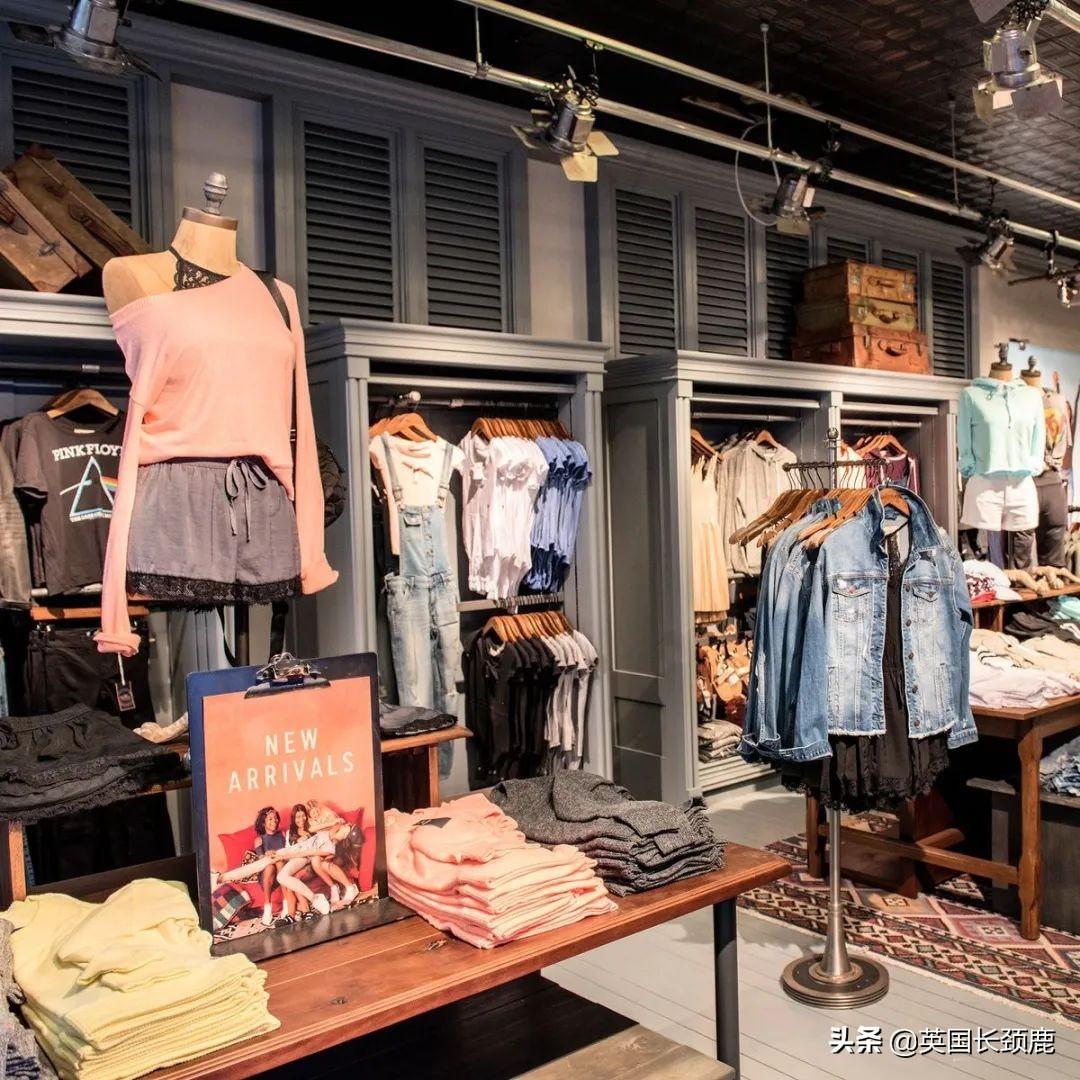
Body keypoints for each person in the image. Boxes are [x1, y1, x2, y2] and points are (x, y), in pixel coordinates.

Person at [288, 803, 359, 907]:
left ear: (307, 816)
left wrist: (335, 826)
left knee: (320, 861)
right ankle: (336, 888)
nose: (301, 819)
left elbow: (329, 831)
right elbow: (293, 850)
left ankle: (344, 887)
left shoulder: (311, 825)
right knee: (315, 862)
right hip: (309, 857)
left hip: (325, 850)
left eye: (303, 816)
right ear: (293, 818)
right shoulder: (291, 833)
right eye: (298, 817)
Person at [252, 806, 288, 927]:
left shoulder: (282, 834)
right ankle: (267, 908)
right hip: (268, 875)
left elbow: (288, 851)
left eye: (275, 818)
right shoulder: (259, 840)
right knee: (270, 866)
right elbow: (261, 858)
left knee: (279, 862)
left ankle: (286, 904)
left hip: (283, 870)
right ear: (263, 823)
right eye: (270, 819)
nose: (274, 821)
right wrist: (266, 854)